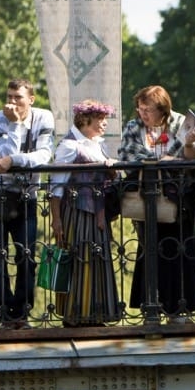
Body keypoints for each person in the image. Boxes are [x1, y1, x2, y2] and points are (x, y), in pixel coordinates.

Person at [117, 85, 195, 323]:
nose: (142, 113)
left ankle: (179, 309)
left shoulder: (180, 123)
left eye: (148, 109)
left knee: (179, 252)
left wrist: (188, 146)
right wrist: (162, 161)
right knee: (150, 251)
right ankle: (151, 309)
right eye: (140, 108)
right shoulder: (134, 127)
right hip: (146, 199)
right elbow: (126, 158)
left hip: (178, 200)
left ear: (162, 109)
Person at [0, 79, 55, 327]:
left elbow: (43, 156)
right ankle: (5, 317)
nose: (11, 102)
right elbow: (1, 158)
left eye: (18, 97)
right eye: (9, 96)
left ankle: (21, 315)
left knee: (27, 258)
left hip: (26, 199)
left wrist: (13, 160)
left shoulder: (44, 118)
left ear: (31, 99)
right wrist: (15, 125)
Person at [49, 100, 122, 327]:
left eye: (105, 119)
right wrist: (57, 220)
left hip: (97, 214)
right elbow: (56, 186)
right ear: (84, 120)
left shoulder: (98, 145)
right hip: (77, 212)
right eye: (100, 120)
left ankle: (96, 315)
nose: (104, 124)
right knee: (80, 261)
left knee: (97, 260)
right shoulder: (70, 146)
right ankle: (75, 316)